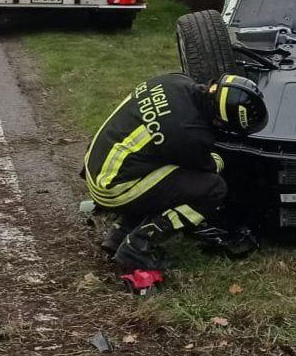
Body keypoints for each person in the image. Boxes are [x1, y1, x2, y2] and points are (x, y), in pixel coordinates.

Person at [83, 72, 267, 271]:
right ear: (221, 121)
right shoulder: (190, 134)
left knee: (161, 171)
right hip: (113, 189)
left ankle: (120, 233)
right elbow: (210, 167)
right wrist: (222, 156)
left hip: (97, 164)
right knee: (212, 188)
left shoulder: (175, 81)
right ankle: (137, 247)